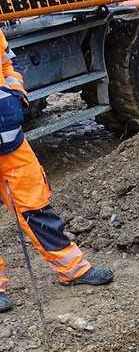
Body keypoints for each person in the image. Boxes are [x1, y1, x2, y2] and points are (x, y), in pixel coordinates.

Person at [0, 31, 112, 309]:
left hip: (10, 138)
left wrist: (15, 94)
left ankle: (73, 269)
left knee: (36, 205)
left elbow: (6, 65)